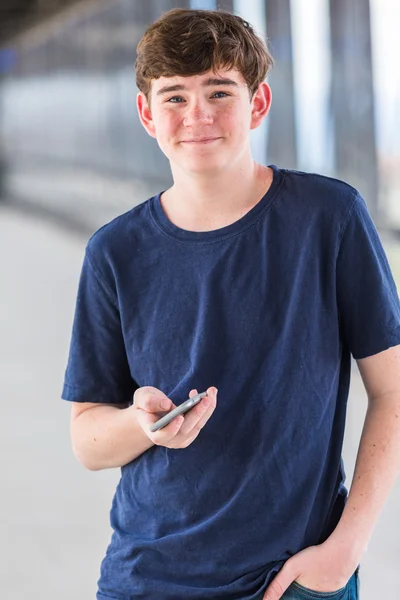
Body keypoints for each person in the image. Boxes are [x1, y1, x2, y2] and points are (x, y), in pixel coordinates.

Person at [62, 8, 400, 600]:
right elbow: (88, 441)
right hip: (147, 579)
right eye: (174, 97)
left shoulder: (328, 218)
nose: (198, 116)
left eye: (220, 91)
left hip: (293, 579)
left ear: (259, 102)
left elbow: (393, 388)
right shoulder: (114, 251)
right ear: (147, 113)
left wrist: (345, 549)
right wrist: (144, 425)